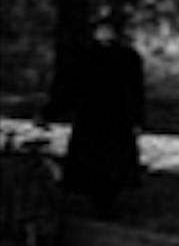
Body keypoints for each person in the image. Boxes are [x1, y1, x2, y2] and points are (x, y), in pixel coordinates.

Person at [45, 16, 146, 219]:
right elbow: (70, 86)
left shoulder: (128, 57)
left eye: (109, 29)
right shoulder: (84, 56)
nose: (105, 34)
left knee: (114, 163)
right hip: (91, 117)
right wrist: (52, 111)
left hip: (118, 118)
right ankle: (96, 199)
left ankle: (108, 201)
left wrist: (138, 119)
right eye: (101, 29)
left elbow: (136, 90)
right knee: (91, 162)